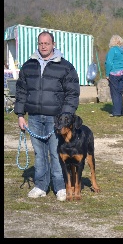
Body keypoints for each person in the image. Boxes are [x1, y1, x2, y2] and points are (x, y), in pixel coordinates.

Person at [14, 31, 80, 201]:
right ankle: (41, 185)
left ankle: (60, 187)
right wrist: (20, 114)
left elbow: (72, 93)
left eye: (47, 43)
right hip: (34, 117)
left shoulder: (65, 66)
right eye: (41, 43)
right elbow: (21, 91)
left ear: (53, 44)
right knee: (39, 153)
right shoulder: (28, 66)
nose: (43, 46)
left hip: (55, 119)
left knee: (56, 152)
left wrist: (65, 116)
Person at [105, 34, 123, 117]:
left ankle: (116, 112)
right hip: (122, 73)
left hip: (114, 73)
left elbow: (109, 62)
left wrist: (107, 74)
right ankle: (120, 110)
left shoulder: (112, 50)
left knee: (114, 93)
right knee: (119, 92)